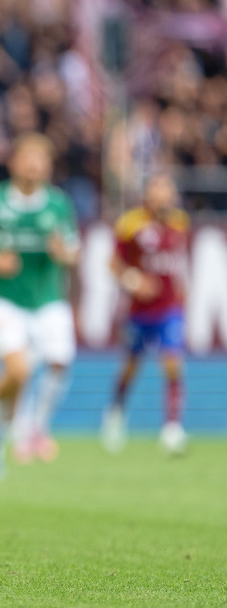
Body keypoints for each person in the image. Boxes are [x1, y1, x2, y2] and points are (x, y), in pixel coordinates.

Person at [0, 133, 80, 479]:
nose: (34, 165)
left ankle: (36, 426)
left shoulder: (58, 205)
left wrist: (63, 254)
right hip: (2, 300)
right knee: (20, 370)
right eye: (28, 157)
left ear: (49, 166)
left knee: (59, 363)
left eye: (41, 159)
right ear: (14, 162)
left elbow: (72, 250)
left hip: (48, 299)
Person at [101, 173, 189, 455]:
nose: (163, 195)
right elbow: (113, 264)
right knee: (130, 365)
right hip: (139, 311)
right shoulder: (130, 223)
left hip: (169, 308)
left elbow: (178, 263)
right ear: (147, 194)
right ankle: (115, 412)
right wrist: (134, 282)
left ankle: (172, 427)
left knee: (173, 363)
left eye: (167, 190)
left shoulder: (179, 222)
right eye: (157, 189)